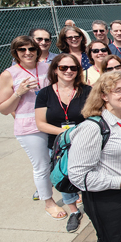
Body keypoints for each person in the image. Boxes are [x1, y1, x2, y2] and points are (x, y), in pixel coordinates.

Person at [68, 70, 121, 242]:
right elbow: (78, 176)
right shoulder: (92, 127)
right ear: (104, 95)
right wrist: (120, 181)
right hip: (107, 195)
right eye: (118, 90)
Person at [0, 36, 57, 215]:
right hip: (30, 127)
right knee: (42, 165)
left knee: (59, 159)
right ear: (15, 53)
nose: (27, 53)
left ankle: (68, 191)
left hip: (52, 121)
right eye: (22, 50)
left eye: (31, 49)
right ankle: (48, 202)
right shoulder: (9, 74)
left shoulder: (47, 68)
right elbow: (3, 109)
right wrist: (19, 93)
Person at [34, 54, 90, 232]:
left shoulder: (86, 91)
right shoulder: (45, 94)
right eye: (63, 67)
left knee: (88, 175)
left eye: (73, 68)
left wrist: (79, 134)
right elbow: (40, 123)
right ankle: (74, 211)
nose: (68, 71)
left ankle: (91, 205)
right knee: (62, 177)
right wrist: (67, 133)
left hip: (84, 143)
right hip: (58, 145)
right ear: (55, 69)